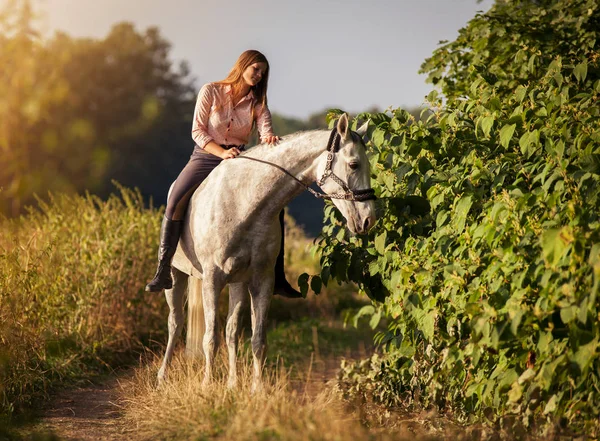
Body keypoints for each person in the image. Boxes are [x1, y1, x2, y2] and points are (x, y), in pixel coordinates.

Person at [145, 49, 302, 298]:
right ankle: (163, 270)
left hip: (239, 160)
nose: (259, 75)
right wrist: (220, 152)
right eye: (256, 69)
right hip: (206, 156)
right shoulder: (211, 91)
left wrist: (269, 137)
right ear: (243, 66)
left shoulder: (258, 103)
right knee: (175, 198)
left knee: (275, 204)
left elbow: (265, 131)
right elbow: (197, 131)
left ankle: (278, 278)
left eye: (263, 72)